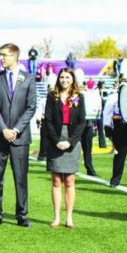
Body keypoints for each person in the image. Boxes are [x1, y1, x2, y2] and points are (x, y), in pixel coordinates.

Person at [0, 43, 37, 227]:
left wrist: (15, 129)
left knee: (20, 177)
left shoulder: (29, 79)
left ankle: (22, 215)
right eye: (0, 55)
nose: (1, 58)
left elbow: (31, 107)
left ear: (14, 56)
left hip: (20, 137)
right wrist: (3, 129)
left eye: (4, 55)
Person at [41, 68, 86, 228]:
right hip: (56, 139)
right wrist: (55, 141)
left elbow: (82, 122)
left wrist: (71, 142)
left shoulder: (79, 97)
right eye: (62, 77)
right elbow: (48, 120)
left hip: (72, 139)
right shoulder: (51, 96)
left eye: (67, 77)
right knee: (56, 180)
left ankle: (69, 217)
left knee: (69, 180)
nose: (64, 80)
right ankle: (56, 217)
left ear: (72, 79)